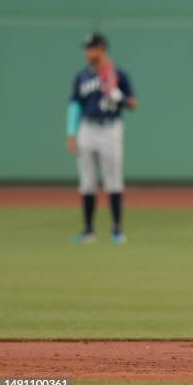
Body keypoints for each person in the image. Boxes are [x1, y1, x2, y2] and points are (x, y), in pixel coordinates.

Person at [66, 32, 137, 244]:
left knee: (113, 180)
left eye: (92, 48)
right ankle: (89, 231)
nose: (88, 52)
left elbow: (133, 103)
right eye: (87, 48)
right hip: (87, 128)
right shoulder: (82, 77)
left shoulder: (119, 74)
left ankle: (116, 229)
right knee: (87, 182)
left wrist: (119, 97)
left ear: (102, 49)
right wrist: (71, 132)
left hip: (110, 129)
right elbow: (75, 104)